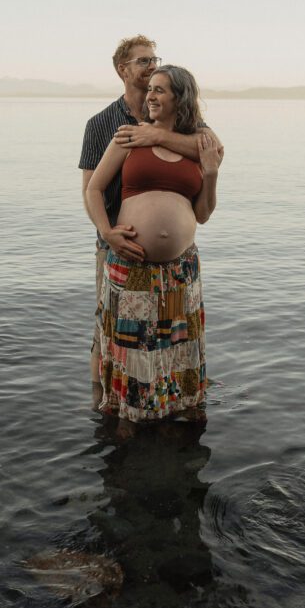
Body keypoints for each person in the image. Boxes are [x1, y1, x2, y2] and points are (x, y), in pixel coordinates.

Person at [79, 36, 221, 385]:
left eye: (155, 60)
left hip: (178, 267)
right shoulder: (106, 125)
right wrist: (108, 234)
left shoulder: (192, 132)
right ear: (122, 70)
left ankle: (174, 413)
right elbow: (91, 188)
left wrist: (156, 137)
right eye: (143, 62)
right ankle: (103, 406)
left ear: (178, 98)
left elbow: (213, 156)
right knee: (112, 333)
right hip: (118, 242)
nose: (152, 66)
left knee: (173, 344)